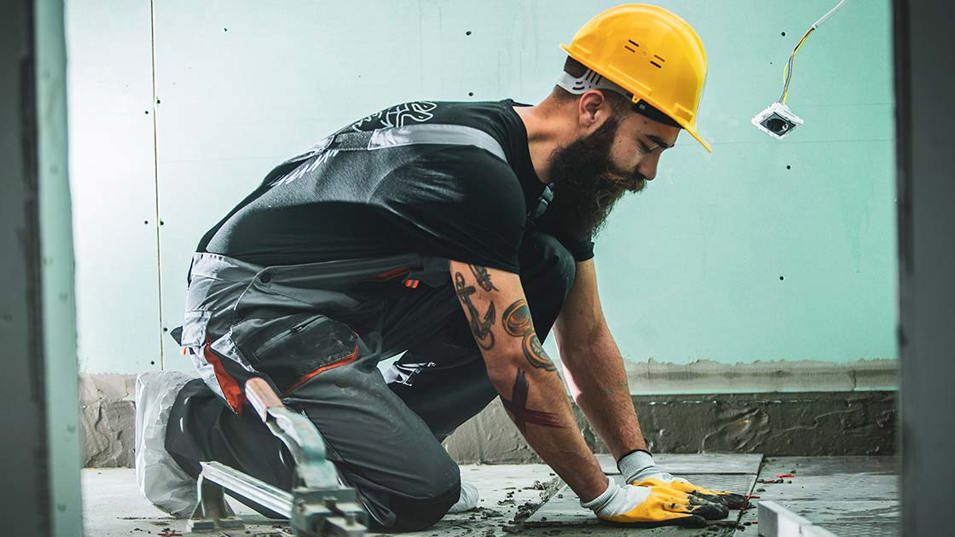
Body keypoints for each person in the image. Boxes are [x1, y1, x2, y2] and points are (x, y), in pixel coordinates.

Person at [157, 3, 745, 531]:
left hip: (345, 305)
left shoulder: (557, 183)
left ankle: (397, 446)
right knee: (412, 499)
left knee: (547, 266)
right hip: (256, 303)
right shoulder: (474, 170)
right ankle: (188, 426)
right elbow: (514, 359)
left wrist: (639, 470)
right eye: (648, 145)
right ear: (593, 108)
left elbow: (586, 336)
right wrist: (603, 499)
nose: (649, 172)